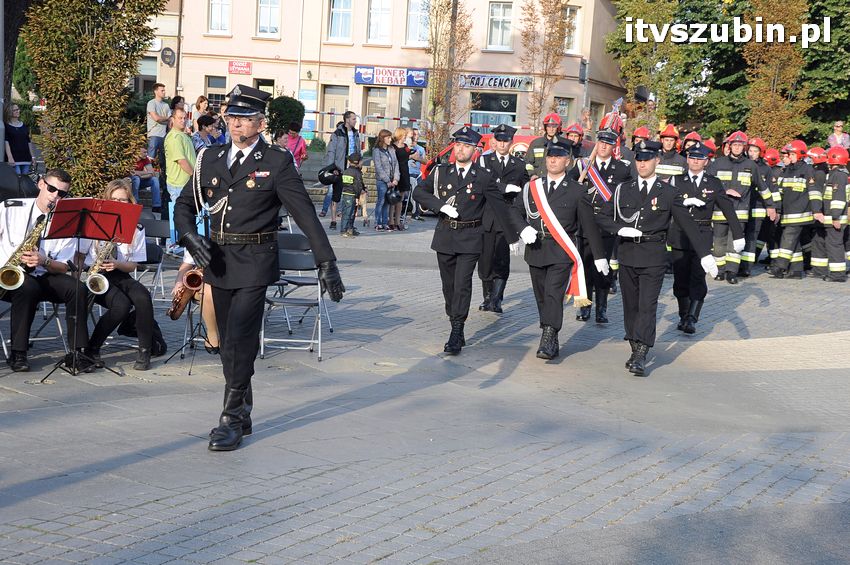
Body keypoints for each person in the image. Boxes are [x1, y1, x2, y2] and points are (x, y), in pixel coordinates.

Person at [174, 84, 345, 451]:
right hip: (217, 261)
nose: (236, 124)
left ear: (261, 123)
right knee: (225, 341)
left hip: (254, 261)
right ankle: (244, 408)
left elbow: (304, 214)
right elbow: (184, 206)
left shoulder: (276, 161)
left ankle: (231, 418)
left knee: (240, 337)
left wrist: (326, 261)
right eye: (232, 117)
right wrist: (189, 237)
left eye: (245, 119)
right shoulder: (210, 158)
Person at [595, 141, 718, 377]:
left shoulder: (669, 193)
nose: (642, 164)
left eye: (647, 160)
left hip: (653, 255)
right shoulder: (623, 189)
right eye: (638, 160)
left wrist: (705, 254)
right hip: (628, 253)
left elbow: (688, 224)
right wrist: (619, 229)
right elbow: (602, 216)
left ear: (657, 162)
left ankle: (642, 351)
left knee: (647, 305)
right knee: (630, 305)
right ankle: (634, 345)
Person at [414, 126, 522, 356]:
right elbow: (419, 192)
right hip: (445, 235)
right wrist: (440, 206)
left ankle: (456, 329)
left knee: (462, 284)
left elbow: (499, 207)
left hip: (471, 237)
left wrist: (513, 236)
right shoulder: (441, 171)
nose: (461, 150)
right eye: (458, 145)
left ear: (475, 150)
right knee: (449, 286)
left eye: (466, 146)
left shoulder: (483, 177)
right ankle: (454, 318)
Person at [510, 136, 608, 359]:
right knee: (542, 296)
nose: (553, 160)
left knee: (554, 293)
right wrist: (522, 228)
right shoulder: (531, 188)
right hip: (536, 249)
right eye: (550, 156)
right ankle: (549, 328)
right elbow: (514, 211)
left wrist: (599, 256)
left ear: (568, 161)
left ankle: (549, 336)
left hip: (561, 251)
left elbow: (589, 225)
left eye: (558, 157)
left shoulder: (576, 190)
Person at [0, 169, 93, 373]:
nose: (55, 196)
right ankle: (18, 353)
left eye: (62, 194)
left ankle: (78, 352)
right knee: (27, 287)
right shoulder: (10, 209)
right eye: (52, 189)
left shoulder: (67, 220)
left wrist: (45, 261)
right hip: (9, 275)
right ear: (41, 184)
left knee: (78, 288)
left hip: (45, 274)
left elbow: (65, 266)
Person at [84, 179, 161, 370]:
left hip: (120, 272)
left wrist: (118, 263)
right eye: (115, 199)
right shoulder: (93, 223)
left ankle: (145, 351)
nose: (119, 204)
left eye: (123, 200)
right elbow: (80, 258)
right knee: (121, 305)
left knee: (142, 296)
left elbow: (132, 265)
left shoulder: (136, 228)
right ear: (107, 199)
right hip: (97, 276)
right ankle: (92, 349)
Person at [669, 142, 743, 334]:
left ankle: (692, 318)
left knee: (698, 277)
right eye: (691, 157)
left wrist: (738, 233)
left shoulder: (713, 183)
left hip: (702, 234)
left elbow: (728, 208)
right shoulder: (676, 181)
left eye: (699, 158)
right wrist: (683, 202)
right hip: (680, 236)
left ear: (706, 162)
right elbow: (666, 205)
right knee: (680, 280)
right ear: (687, 160)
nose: (694, 161)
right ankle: (683, 315)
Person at [571, 126, 633, 323]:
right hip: (584, 226)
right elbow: (569, 186)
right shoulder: (583, 166)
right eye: (601, 143)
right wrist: (577, 187)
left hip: (606, 228)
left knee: (604, 269)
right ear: (596, 144)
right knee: (586, 268)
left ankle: (602, 308)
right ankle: (584, 306)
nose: (604, 146)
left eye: (608, 143)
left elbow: (627, 196)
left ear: (613, 146)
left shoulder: (622, 168)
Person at [707, 131, 775, 284]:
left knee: (734, 244)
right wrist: (725, 192)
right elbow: (708, 184)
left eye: (740, 145)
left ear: (743, 147)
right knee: (718, 245)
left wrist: (771, 206)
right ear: (729, 146)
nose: (737, 147)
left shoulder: (750, 166)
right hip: (720, 211)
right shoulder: (717, 163)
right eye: (734, 145)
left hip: (740, 212)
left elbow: (763, 187)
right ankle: (720, 270)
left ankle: (732, 272)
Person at [477, 124, 529, 313]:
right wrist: (503, 187)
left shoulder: (519, 165)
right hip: (487, 216)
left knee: (501, 259)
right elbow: (482, 184)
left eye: (505, 141)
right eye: (499, 140)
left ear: (511, 143)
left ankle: (496, 299)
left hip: (506, 217)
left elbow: (525, 192)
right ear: (493, 141)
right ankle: (487, 297)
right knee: (485, 260)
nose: (501, 144)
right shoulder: (485, 161)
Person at [769, 140, 815, 279]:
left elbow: (814, 193)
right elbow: (779, 191)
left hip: (800, 213)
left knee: (788, 238)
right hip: (787, 213)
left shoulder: (807, 170)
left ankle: (780, 266)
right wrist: (777, 209)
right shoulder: (787, 171)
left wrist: (817, 211)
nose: (788, 156)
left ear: (800, 154)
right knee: (794, 242)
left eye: (791, 154)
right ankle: (796, 270)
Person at [810, 147, 848, 282]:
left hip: (835, 218)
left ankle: (838, 275)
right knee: (825, 243)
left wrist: (836, 217)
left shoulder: (838, 176)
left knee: (834, 245)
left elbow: (838, 198)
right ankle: (823, 271)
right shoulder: (835, 174)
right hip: (831, 217)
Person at [171, 249, 220, 353]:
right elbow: (187, 263)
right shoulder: (200, 235)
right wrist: (179, 282)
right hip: (206, 281)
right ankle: (212, 332)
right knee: (208, 291)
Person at [164, 107, 197, 250]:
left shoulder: (183, 135)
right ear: (173, 119)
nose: (183, 121)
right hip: (178, 183)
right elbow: (181, 161)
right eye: (180, 118)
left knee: (186, 215)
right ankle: (173, 243)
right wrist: (195, 177)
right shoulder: (174, 137)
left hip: (186, 182)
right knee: (179, 215)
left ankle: (182, 243)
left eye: (185, 118)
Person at [322, 111, 360, 219]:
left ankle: (347, 219)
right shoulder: (337, 133)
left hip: (352, 168)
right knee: (335, 193)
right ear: (347, 119)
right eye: (353, 119)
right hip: (339, 168)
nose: (355, 121)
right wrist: (331, 168)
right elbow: (331, 152)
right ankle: (333, 219)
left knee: (350, 194)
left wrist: (359, 161)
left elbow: (358, 150)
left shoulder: (356, 133)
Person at [372, 129, 400, 232]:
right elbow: (378, 167)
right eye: (388, 137)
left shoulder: (391, 149)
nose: (390, 139)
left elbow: (396, 164)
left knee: (387, 202)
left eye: (390, 137)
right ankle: (377, 222)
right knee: (381, 201)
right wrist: (387, 180)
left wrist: (396, 178)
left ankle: (385, 222)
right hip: (382, 181)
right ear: (382, 138)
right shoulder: (376, 150)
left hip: (392, 180)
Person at [4, 104, 36, 175]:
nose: (18, 111)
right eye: (15, 110)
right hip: (14, 159)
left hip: (26, 158)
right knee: (16, 178)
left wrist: (33, 156)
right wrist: (10, 157)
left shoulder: (24, 126)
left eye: (18, 109)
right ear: (9, 112)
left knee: (24, 181)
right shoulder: (6, 126)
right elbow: (6, 142)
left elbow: (28, 142)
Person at [391, 127, 412, 230]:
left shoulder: (406, 146)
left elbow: (409, 155)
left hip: (404, 173)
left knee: (400, 198)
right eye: (404, 135)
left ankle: (398, 221)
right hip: (395, 173)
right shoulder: (392, 147)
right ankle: (391, 220)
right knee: (392, 198)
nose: (405, 137)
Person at [339, 153, 365, 237]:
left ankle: (349, 229)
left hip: (345, 193)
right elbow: (358, 186)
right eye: (361, 161)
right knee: (350, 213)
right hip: (353, 195)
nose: (362, 163)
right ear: (357, 162)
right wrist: (358, 197)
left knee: (346, 212)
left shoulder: (346, 171)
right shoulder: (357, 173)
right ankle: (345, 230)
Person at [130, 147, 162, 213]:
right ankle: (135, 203)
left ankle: (156, 206)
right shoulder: (131, 158)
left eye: (146, 152)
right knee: (136, 178)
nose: (146, 154)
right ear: (138, 152)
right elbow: (130, 173)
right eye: (144, 152)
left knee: (154, 180)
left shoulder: (145, 159)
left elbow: (152, 173)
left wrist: (138, 173)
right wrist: (141, 174)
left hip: (140, 180)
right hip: (129, 182)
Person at [146, 83, 171, 166]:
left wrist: (164, 119)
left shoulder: (166, 105)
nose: (164, 92)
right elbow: (156, 118)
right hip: (154, 134)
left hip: (164, 135)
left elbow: (170, 121)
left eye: (164, 90)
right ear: (156, 91)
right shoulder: (151, 103)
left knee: (163, 161)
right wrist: (167, 118)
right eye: (162, 90)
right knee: (150, 159)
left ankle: (162, 178)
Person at [408, 126, 427, 221]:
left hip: (417, 173)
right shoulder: (407, 146)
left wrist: (418, 158)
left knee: (418, 193)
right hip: (408, 173)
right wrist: (411, 156)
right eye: (414, 134)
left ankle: (416, 213)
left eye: (417, 134)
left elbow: (424, 161)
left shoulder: (421, 149)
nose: (416, 136)